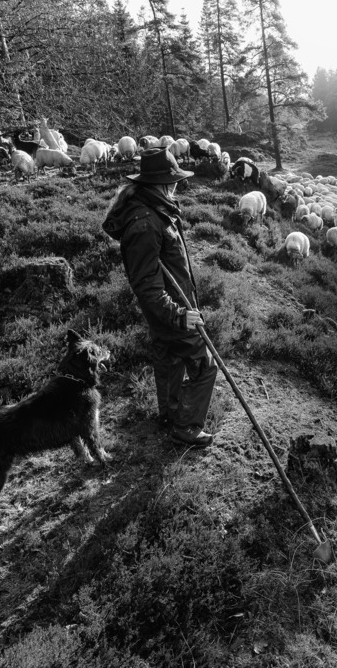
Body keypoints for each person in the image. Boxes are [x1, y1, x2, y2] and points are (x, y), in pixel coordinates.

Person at [101, 147, 217, 448]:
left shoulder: (156, 210)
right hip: (170, 310)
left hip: (166, 310)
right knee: (204, 365)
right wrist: (179, 315)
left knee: (168, 361)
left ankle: (170, 416)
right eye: (174, 179)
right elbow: (146, 284)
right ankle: (187, 427)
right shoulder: (146, 222)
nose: (178, 184)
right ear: (162, 183)